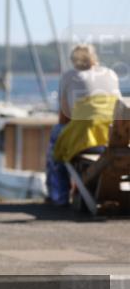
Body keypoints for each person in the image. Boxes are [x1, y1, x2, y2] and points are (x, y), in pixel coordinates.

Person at [47, 44, 123, 205]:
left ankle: (59, 197)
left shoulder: (69, 76)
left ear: (74, 60)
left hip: (85, 140)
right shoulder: (111, 74)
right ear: (94, 58)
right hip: (114, 140)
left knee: (56, 141)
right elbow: (120, 109)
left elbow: (63, 118)